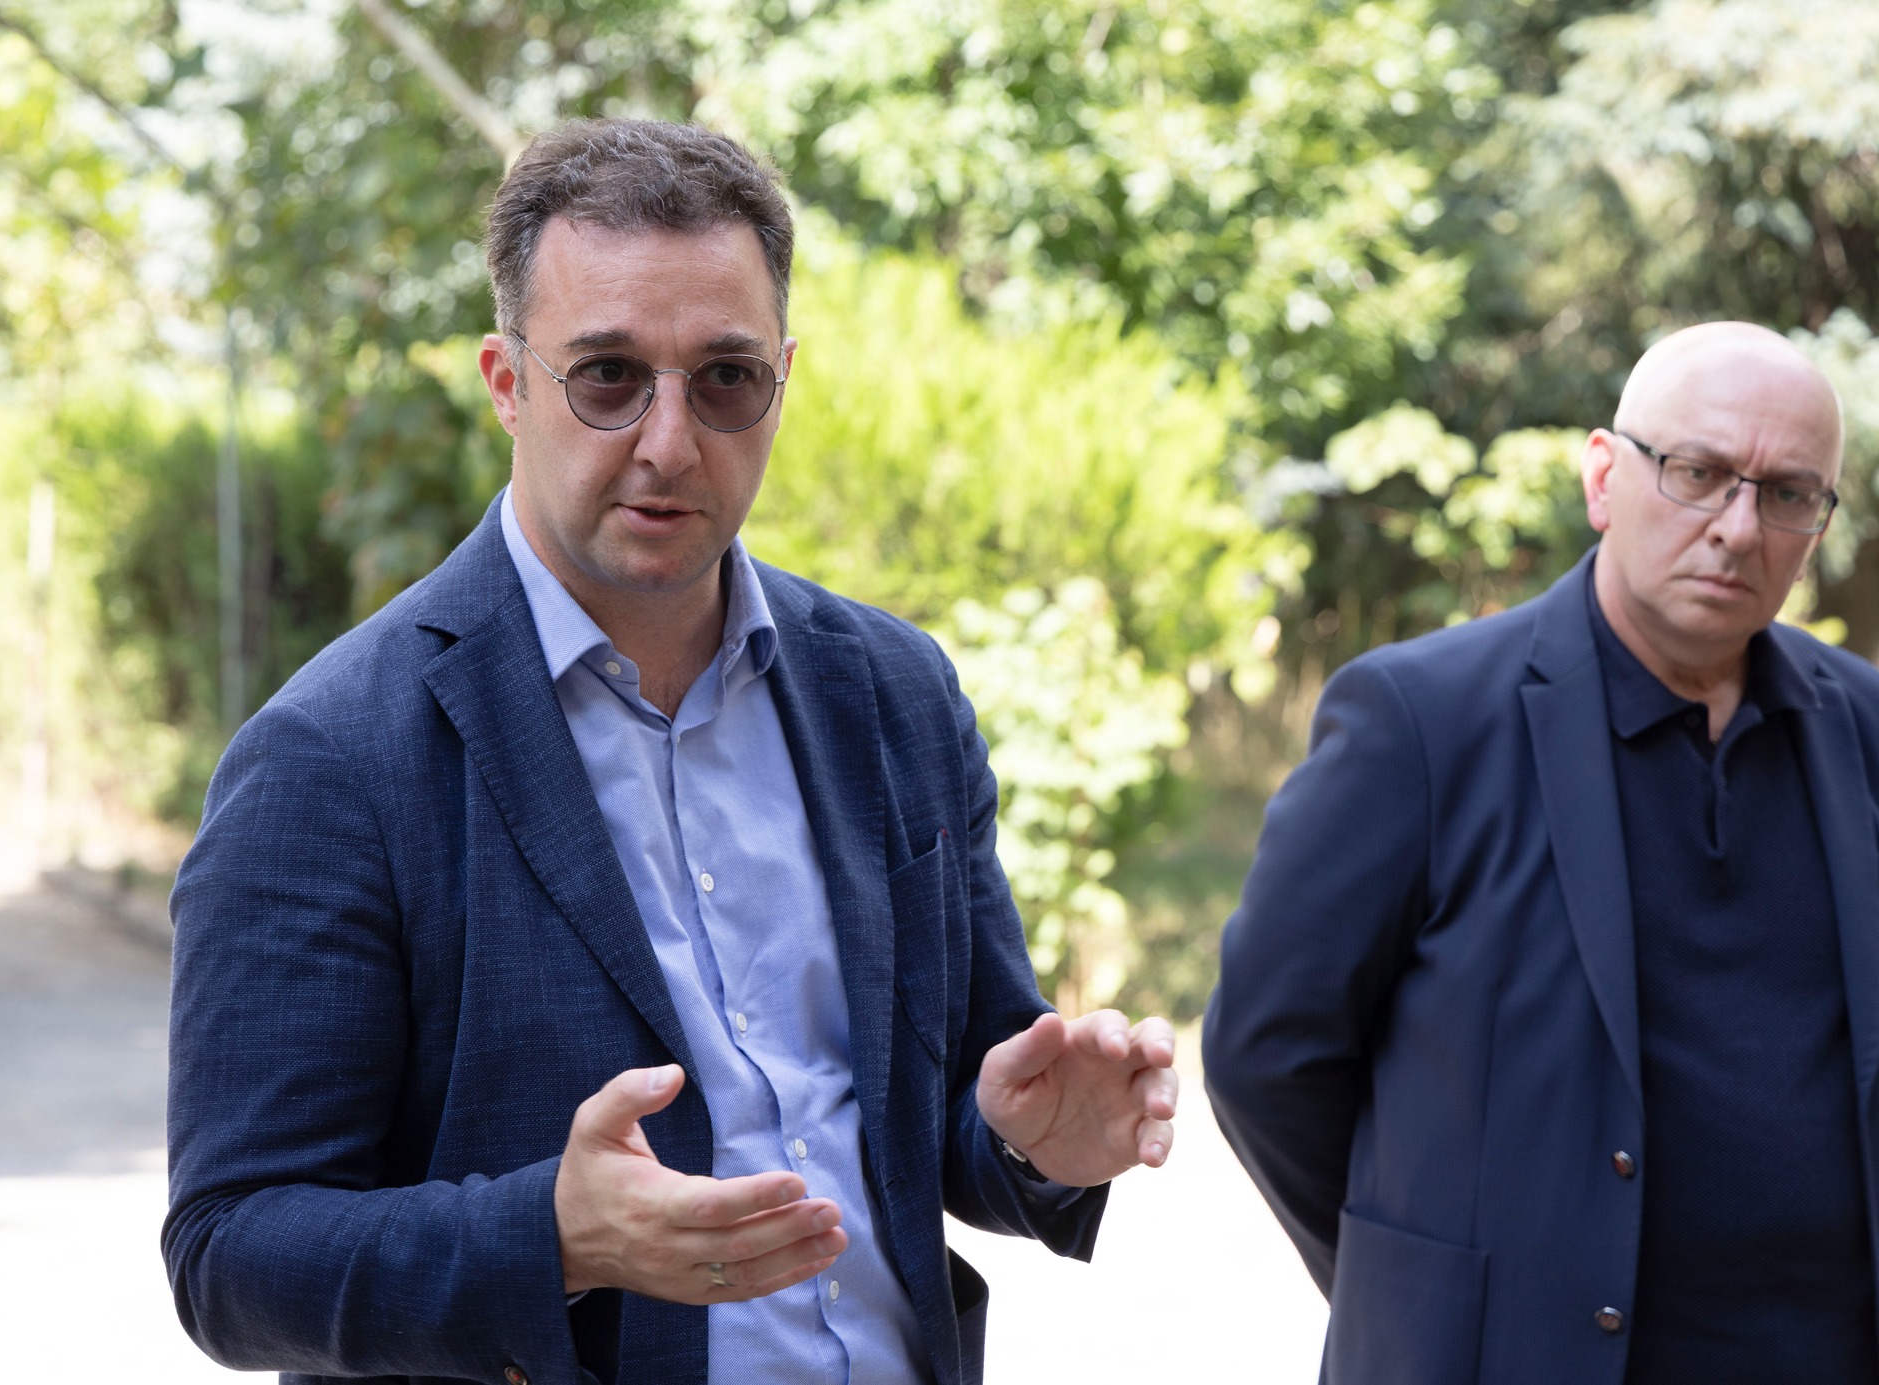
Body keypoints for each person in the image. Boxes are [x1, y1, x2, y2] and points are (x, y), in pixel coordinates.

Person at [164, 118, 1177, 1385]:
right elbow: (231, 1253)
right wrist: (551, 1237)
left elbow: (943, 1114)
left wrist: (1032, 1142)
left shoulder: (892, 692)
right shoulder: (332, 757)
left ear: (782, 380)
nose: (667, 440)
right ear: (506, 382)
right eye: (606, 376)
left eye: (725, 378)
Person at [1203, 322, 1879, 1385]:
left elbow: (1877, 1041)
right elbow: (1266, 1057)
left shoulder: (1875, 727)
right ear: (1602, 477)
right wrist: (1430, 1289)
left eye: (1786, 493)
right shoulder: (1421, 721)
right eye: (1697, 472)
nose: (1738, 527)